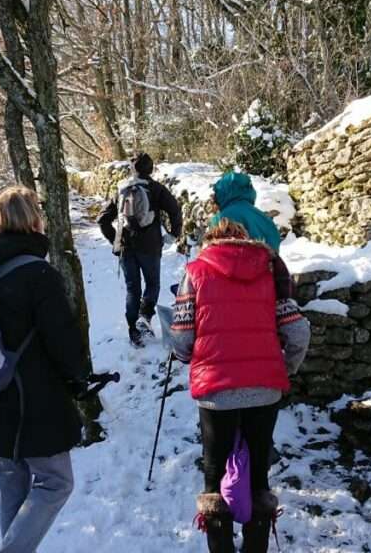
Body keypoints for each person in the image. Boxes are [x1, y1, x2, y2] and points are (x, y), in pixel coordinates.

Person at [0, 186, 90, 553]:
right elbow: (61, 336)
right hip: (33, 401)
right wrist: (77, 376)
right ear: (31, 220)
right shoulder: (37, 273)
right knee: (55, 482)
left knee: (11, 485)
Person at [170, 219, 310, 553]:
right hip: (265, 390)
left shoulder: (196, 272)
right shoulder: (269, 269)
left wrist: (184, 355)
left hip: (215, 391)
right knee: (258, 476)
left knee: (214, 479)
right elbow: (298, 332)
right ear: (246, 240)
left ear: (210, 241)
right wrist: (283, 367)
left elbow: (182, 336)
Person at [98, 152, 183, 347]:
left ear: (132, 169)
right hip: (151, 246)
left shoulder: (121, 190)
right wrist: (173, 234)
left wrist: (116, 240)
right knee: (152, 284)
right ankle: (145, 315)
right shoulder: (156, 189)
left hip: (127, 247)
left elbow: (102, 219)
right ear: (151, 169)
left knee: (132, 289)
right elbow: (175, 210)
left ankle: (134, 332)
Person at [210, 172, 281, 252]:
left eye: (217, 192)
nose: (213, 197)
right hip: (265, 262)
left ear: (224, 192)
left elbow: (217, 253)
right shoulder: (261, 216)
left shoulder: (223, 217)